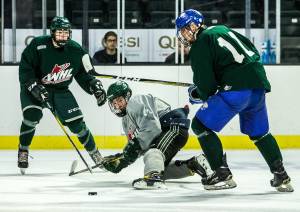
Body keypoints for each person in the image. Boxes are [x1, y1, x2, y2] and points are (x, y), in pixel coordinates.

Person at [175, 9, 294, 192]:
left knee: (200, 125)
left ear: (194, 25)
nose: (182, 34)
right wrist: (218, 82)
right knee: (260, 133)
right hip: (257, 86)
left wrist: (198, 93)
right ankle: (281, 176)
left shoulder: (201, 42)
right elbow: (251, 51)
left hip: (236, 91)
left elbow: (206, 85)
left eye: (184, 29)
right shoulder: (222, 29)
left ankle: (222, 175)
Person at [18, 16, 106, 174]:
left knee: (78, 125)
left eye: (66, 33)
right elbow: (25, 67)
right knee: (31, 117)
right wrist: (33, 85)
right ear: (52, 33)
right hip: (35, 88)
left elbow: (83, 74)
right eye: (59, 33)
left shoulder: (76, 50)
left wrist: (94, 87)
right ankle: (23, 151)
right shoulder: (38, 44)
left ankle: (95, 154)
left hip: (60, 90)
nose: (63, 37)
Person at [102, 80, 212, 190]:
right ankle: (194, 164)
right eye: (114, 103)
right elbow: (138, 147)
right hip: (166, 132)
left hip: (173, 127)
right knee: (159, 167)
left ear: (127, 96)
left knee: (153, 154)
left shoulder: (135, 102)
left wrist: (132, 148)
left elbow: (152, 128)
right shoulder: (125, 122)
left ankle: (153, 179)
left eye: (120, 100)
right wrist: (123, 159)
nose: (117, 105)